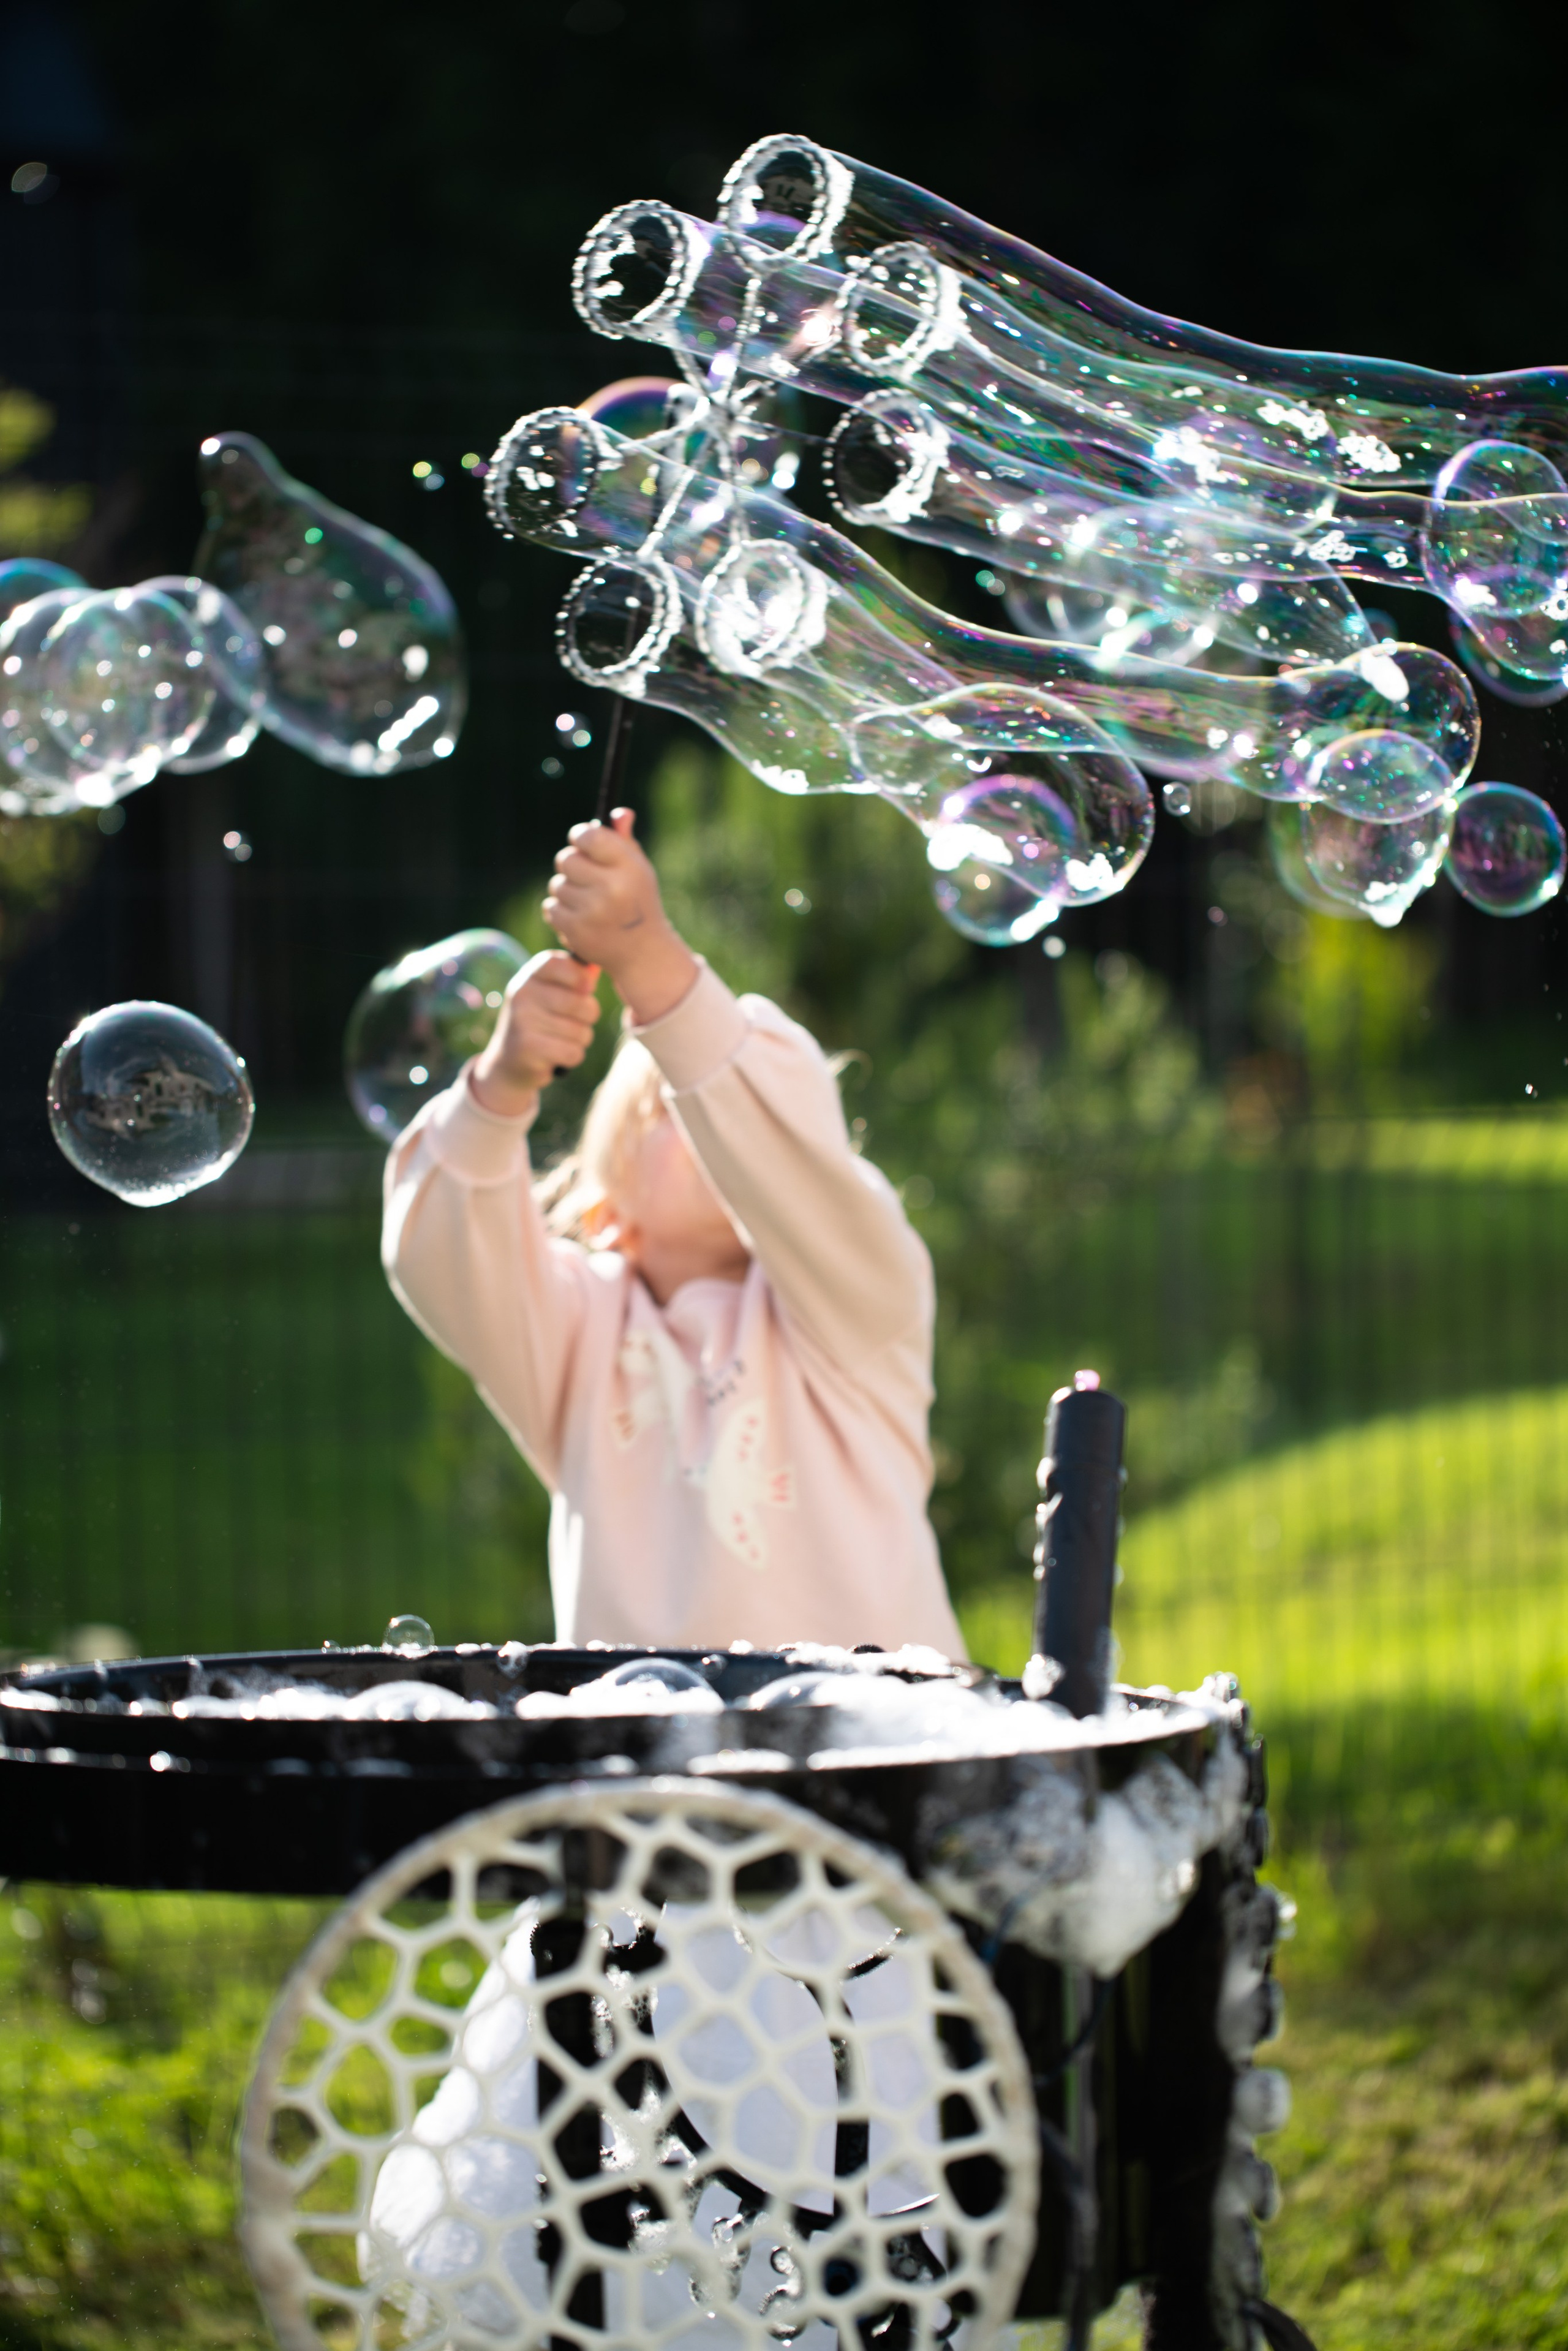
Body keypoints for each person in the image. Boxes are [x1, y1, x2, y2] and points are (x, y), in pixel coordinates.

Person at [382, 809, 965, 1658]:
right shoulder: (579, 1335)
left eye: (711, 1101)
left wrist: (646, 953)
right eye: (665, 1105)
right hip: (650, 1760)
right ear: (603, 1212)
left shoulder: (858, 1308)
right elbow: (440, 1253)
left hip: (881, 1748)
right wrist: (504, 1081)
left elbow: (789, 1155)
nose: (708, 1119)